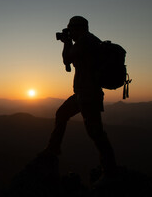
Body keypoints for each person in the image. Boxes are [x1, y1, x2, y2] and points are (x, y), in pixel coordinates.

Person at [43, 16, 117, 180]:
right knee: (62, 114)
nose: (70, 33)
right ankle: (53, 149)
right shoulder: (90, 41)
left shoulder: (85, 41)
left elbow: (66, 59)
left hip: (89, 95)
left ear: (77, 28)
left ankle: (110, 171)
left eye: (70, 29)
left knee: (96, 132)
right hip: (82, 94)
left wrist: (66, 42)